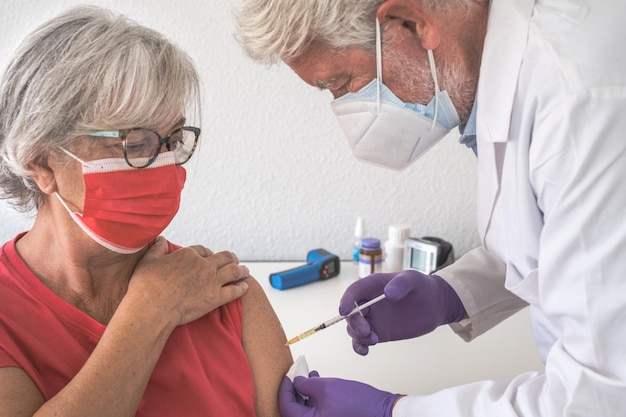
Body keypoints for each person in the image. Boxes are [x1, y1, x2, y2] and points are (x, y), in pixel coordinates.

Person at [235, 0, 626, 415]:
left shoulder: (579, 103)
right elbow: (555, 243)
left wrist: (395, 411)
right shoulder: (513, 77)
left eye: (342, 82)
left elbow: (599, 396)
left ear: (411, 23)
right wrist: (451, 294)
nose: (345, 108)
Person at [0, 6, 292, 416]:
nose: (164, 165)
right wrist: (151, 309)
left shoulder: (223, 293)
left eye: (173, 140)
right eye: (135, 144)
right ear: (42, 163)